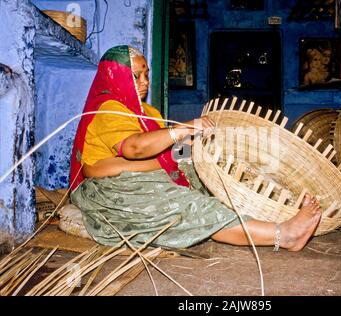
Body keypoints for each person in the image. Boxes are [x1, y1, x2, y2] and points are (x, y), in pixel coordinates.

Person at [69, 45, 322, 252]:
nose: (144, 82)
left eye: (146, 74)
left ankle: (272, 216)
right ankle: (284, 235)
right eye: (136, 76)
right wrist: (182, 129)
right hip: (108, 189)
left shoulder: (148, 112)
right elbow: (134, 148)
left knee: (210, 181)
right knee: (187, 206)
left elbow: (164, 153)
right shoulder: (107, 109)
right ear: (115, 76)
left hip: (139, 174)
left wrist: (195, 149)